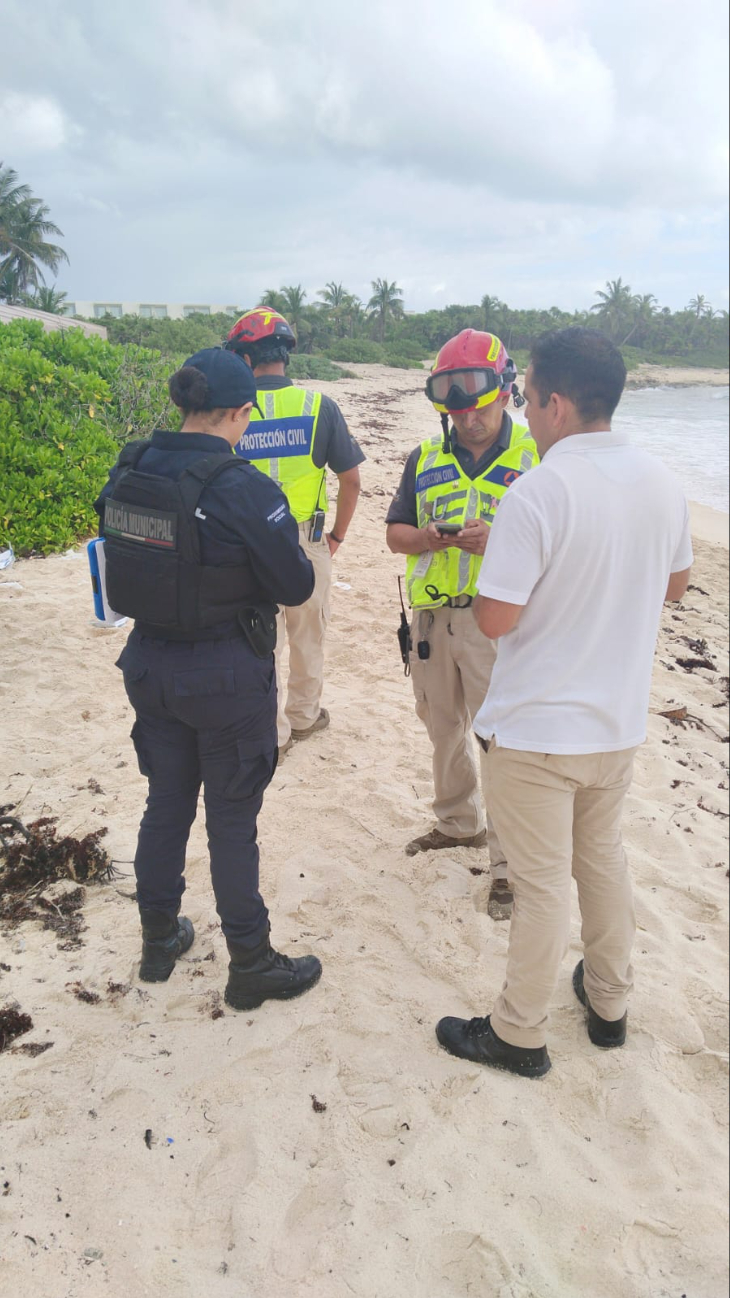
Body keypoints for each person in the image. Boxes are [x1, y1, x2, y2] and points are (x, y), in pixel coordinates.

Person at [435, 327, 693, 1078]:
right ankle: (609, 1003)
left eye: (525, 395)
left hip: (538, 731)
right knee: (603, 864)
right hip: (617, 724)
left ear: (553, 402)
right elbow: (674, 587)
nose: (523, 409)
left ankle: (518, 1033)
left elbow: (495, 620)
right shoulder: (662, 482)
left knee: (544, 885)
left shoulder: (537, 492)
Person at [94, 347, 323, 1012]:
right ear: (239, 412)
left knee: (165, 804)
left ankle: (159, 939)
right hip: (224, 674)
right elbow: (296, 583)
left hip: (149, 666)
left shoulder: (131, 464)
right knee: (231, 820)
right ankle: (251, 961)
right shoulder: (242, 485)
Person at [386, 330, 539, 920]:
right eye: (457, 410)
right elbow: (394, 532)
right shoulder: (424, 458)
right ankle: (457, 824)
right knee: (442, 726)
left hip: (497, 624)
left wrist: (496, 542)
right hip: (430, 622)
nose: (469, 420)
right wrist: (426, 537)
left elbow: (564, 546)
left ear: (506, 392)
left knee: (500, 741)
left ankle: (508, 869)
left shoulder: (537, 458)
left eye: (480, 406)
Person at [225, 308, 365, 754]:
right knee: (308, 636)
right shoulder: (319, 407)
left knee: (263, 641)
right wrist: (337, 537)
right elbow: (351, 480)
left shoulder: (233, 411)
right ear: (287, 355)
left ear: (245, 359)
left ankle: (274, 734)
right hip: (307, 540)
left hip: (246, 545)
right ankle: (303, 719)